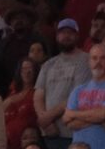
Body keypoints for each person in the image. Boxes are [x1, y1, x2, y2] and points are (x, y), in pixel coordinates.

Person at [34, 20, 91, 149]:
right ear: (56, 36)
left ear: (77, 36)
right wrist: (45, 121)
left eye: (70, 32)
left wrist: (48, 117)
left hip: (72, 133)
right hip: (48, 132)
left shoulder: (85, 60)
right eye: (62, 33)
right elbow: (38, 95)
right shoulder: (48, 64)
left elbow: (77, 95)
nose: (66, 36)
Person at [63, 45, 105, 149]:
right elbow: (69, 123)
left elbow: (104, 114)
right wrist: (101, 120)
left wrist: (73, 114)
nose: (98, 62)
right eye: (94, 58)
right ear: (89, 62)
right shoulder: (78, 90)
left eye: (102, 58)